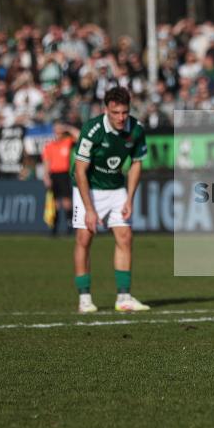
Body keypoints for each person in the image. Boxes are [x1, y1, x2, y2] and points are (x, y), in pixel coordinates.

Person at [71, 86, 150, 314]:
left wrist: (130, 198)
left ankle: (123, 297)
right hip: (88, 188)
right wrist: (89, 208)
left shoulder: (136, 130)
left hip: (116, 188)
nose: (121, 117)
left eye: (124, 112)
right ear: (106, 110)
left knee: (125, 236)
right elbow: (80, 170)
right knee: (84, 238)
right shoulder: (92, 129)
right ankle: (85, 298)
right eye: (115, 113)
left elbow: (136, 163)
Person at [41, 123, 78, 236]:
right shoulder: (49, 145)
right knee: (55, 202)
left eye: (59, 129)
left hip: (64, 174)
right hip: (54, 175)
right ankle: (54, 227)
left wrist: (68, 128)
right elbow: (46, 162)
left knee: (67, 201)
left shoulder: (67, 142)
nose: (58, 132)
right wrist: (46, 176)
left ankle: (69, 225)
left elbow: (79, 136)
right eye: (56, 129)